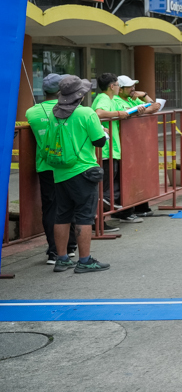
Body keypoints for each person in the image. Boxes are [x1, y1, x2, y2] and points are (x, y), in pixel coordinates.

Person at [50, 76, 112, 273]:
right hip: (83, 170)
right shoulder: (86, 113)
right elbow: (99, 142)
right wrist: (104, 132)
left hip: (60, 171)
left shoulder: (53, 113)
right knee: (85, 216)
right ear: (80, 95)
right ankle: (84, 260)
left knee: (62, 215)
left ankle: (62, 259)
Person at [25, 73, 77, 263]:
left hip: (46, 165)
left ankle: (54, 251)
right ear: (61, 90)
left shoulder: (31, 112)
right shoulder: (72, 109)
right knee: (69, 204)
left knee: (51, 207)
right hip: (70, 164)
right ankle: (70, 247)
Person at [92, 73, 137, 225]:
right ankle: (98, 222)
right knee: (104, 189)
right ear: (112, 86)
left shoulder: (110, 99)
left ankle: (104, 217)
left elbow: (126, 110)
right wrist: (119, 114)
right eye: (118, 85)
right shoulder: (103, 98)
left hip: (112, 150)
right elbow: (99, 113)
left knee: (108, 187)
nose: (118, 88)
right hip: (105, 151)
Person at [117, 75, 162, 217]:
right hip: (124, 143)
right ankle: (125, 211)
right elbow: (130, 114)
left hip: (136, 143)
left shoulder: (132, 98)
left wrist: (145, 95)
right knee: (126, 178)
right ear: (120, 89)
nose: (133, 89)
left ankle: (140, 207)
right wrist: (145, 110)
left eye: (133, 86)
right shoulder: (117, 101)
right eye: (130, 87)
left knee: (138, 176)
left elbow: (155, 106)